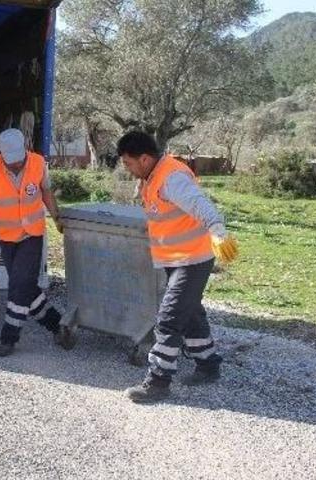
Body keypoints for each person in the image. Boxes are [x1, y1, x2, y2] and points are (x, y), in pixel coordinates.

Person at [116, 131, 239, 403]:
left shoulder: (170, 177)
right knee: (191, 314)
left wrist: (217, 230)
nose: (127, 168)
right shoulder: (152, 176)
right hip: (177, 259)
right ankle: (208, 364)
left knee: (169, 318)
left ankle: (158, 382)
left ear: (145, 158)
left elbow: (199, 204)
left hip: (192, 259)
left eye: (128, 162)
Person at [0, 128, 74, 357]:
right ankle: (58, 326)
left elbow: (47, 192)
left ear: (25, 150)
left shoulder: (39, 163)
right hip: (7, 238)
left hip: (32, 235)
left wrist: (57, 217)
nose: (15, 165)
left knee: (18, 286)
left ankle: (8, 338)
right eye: (10, 162)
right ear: (1, 155)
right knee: (26, 288)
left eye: (18, 161)